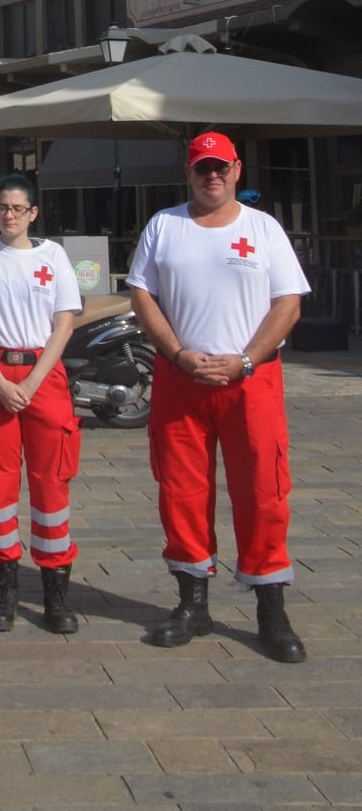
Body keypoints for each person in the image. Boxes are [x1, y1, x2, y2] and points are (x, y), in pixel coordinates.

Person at [128, 130, 310, 663]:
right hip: (181, 380)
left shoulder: (263, 229)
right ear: (188, 173)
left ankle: (271, 610)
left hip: (251, 381)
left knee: (264, 491)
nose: (212, 176)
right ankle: (193, 602)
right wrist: (178, 353)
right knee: (181, 490)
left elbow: (288, 303)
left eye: (221, 167)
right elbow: (142, 295)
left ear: (237, 170)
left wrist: (247, 358)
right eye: (202, 168)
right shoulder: (165, 226)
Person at [0, 173, 83, 635]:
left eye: (17, 209)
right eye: (1, 208)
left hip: (42, 375)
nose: (8, 216)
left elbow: (64, 325)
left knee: (52, 484)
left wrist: (31, 380)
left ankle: (54, 593)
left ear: (33, 213)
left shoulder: (53, 257)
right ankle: (5, 590)